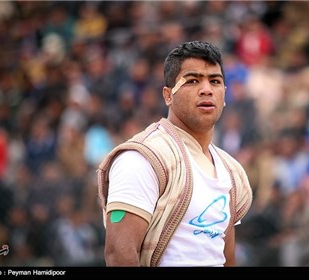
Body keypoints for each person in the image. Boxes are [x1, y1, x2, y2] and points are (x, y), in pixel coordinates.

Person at [97, 41, 253, 267]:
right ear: (168, 95)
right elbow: (119, 255)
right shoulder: (143, 159)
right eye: (192, 81)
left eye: (215, 81)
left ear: (225, 95)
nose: (207, 89)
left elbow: (225, 259)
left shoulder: (231, 171)